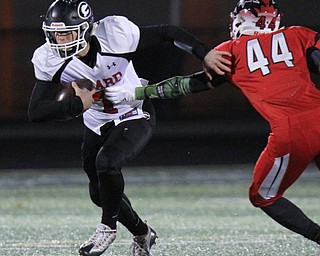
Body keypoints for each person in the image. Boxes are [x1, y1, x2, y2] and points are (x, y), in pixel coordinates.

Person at [107, 0, 320, 246]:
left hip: (292, 132)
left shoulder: (230, 50)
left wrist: (139, 93)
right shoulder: (297, 34)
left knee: (263, 195)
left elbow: (186, 85)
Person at [27, 0, 231, 255]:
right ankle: (142, 233)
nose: (60, 40)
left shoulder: (114, 36)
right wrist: (77, 105)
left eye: (66, 32)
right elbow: (36, 111)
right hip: (96, 122)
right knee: (99, 193)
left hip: (134, 112)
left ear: (85, 29)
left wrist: (204, 52)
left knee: (107, 162)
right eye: (55, 33)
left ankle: (107, 228)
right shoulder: (49, 58)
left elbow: (167, 32)